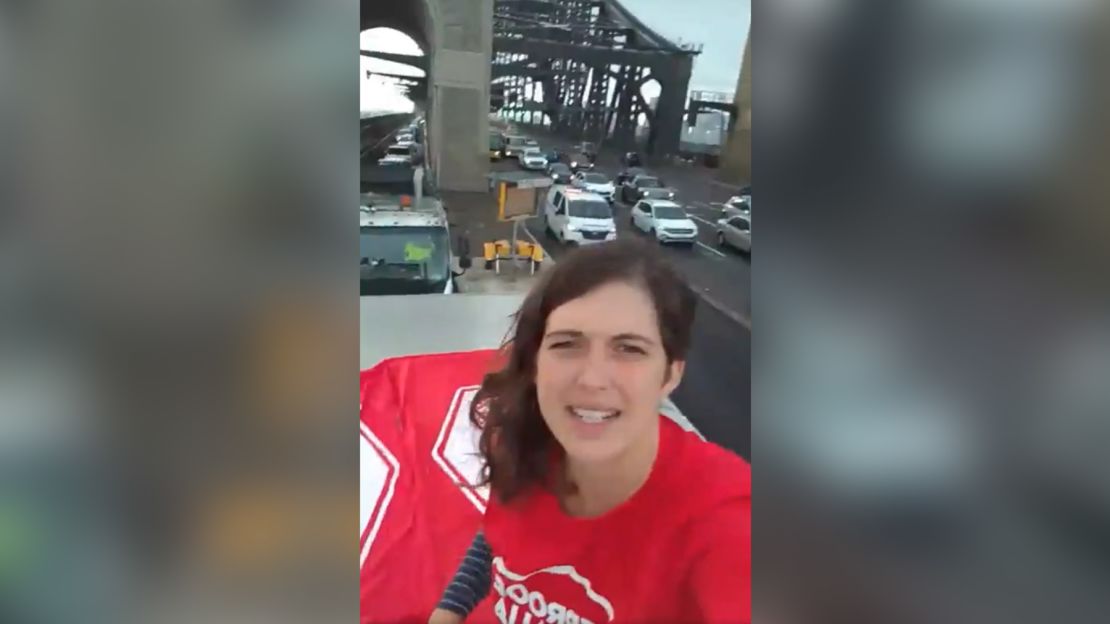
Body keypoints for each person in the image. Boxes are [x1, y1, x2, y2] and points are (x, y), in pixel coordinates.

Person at [428, 239, 751, 623]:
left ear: (670, 374)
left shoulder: (731, 528)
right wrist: (449, 611)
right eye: (567, 344)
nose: (593, 379)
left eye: (629, 349)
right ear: (535, 363)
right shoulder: (528, 442)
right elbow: (497, 539)